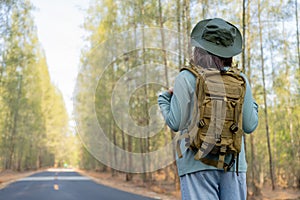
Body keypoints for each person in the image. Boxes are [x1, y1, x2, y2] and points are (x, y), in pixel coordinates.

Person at [158, 18, 258, 200]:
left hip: (195, 164)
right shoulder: (241, 79)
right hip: (233, 166)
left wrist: (164, 99)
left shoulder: (186, 77)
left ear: (199, 47)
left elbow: (175, 122)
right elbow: (250, 125)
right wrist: (253, 104)